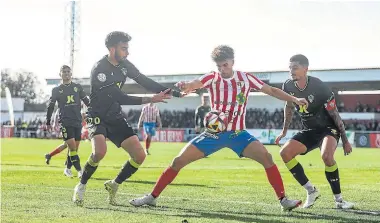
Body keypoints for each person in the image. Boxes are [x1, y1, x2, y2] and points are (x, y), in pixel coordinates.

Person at [129, 45, 309, 211]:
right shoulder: (212, 77)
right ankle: (152, 197)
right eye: (219, 66)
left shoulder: (245, 78)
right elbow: (194, 85)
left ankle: (283, 200)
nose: (222, 70)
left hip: (238, 134)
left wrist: (294, 99)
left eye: (225, 65)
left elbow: (271, 90)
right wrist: (186, 86)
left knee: (267, 158)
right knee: (178, 161)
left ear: (232, 62)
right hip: (213, 134)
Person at [72, 31, 182, 206]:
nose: (127, 52)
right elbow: (119, 97)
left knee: (139, 155)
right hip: (97, 115)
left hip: (114, 115)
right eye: (123, 49)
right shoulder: (100, 69)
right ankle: (81, 185)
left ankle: (114, 184)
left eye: (127, 48)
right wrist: (150, 99)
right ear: (111, 48)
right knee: (99, 152)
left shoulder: (125, 65)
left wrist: (173, 92)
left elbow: (144, 80)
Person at [275, 54, 354, 209]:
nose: (291, 71)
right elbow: (289, 107)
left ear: (306, 69)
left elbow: (335, 114)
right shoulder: (288, 86)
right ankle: (311, 191)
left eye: (295, 68)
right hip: (309, 129)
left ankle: (339, 201)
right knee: (285, 153)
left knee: (326, 156)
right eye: (290, 68)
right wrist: (284, 131)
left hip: (328, 128)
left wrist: (345, 140)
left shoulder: (319, 86)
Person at [46, 65, 90, 178]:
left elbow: (86, 101)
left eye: (68, 72)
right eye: (64, 72)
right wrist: (48, 122)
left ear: (71, 74)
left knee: (74, 148)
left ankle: (67, 169)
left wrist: (95, 110)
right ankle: (80, 171)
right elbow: (50, 106)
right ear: (60, 74)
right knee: (72, 148)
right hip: (65, 121)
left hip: (77, 121)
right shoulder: (56, 90)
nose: (66, 73)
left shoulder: (77, 87)